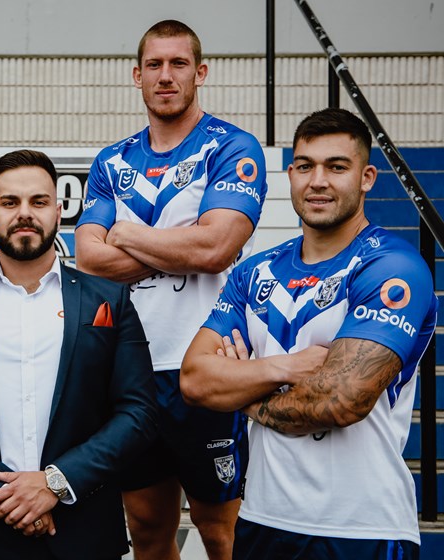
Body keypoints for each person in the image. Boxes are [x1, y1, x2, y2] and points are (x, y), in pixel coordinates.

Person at [181, 107, 434, 559]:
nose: (317, 181)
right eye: (305, 166)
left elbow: (340, 401)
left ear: (367, 177)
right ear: (291, 174)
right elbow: (195, 379)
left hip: (362, 528)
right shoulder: (253, 272)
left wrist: (245, 391)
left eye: (336, 167)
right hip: (262, 519)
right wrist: (286, 367)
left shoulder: (392, 267)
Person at [74, 19, 268, 560]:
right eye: (154, 65)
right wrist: (182, 240)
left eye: (178, 64)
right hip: (131, 371)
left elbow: (215, 250)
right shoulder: (112, 161)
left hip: (207, 366)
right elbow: (89, 258)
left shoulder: (231, 147)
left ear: (200, 73)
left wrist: (129, 233)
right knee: (148, 530)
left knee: (220, 530)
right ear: (136, 76)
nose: (166, 76)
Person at [0, 149, 159, 560]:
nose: (25, 213)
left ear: (59, 213)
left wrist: (55, 483)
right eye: (9, 203)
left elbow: (138, 412)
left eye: (38, 202)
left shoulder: (109, 299)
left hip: (80, 529)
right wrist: (9, 494)